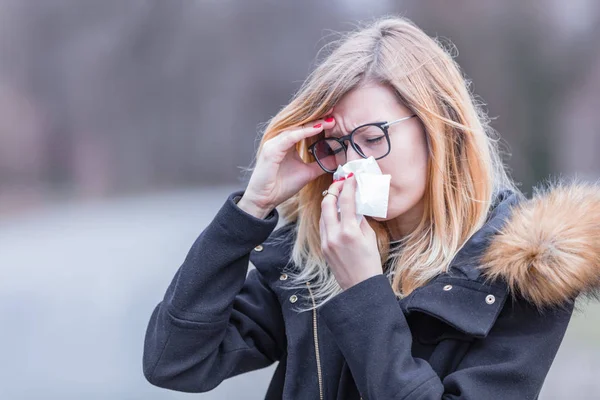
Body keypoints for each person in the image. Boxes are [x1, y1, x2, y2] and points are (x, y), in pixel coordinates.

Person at [142, 16, 600, 399]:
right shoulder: (312, 249)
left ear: (439, 127)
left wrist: (362, 290)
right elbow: (174, 362)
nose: (352, 165)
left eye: (373, 138)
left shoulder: (524, 272)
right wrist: (251, 208)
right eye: (337, 144)